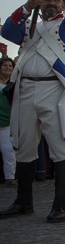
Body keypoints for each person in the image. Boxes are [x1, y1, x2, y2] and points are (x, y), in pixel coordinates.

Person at [0, 0, 65, 222]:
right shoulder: (29, 27)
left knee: (60, 149)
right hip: (26, 90)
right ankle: (23, 202)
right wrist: (26, 7)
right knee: (24, 148)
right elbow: (6, 31)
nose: (51, 2)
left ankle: (61, 205)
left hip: (54, 91)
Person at [0, 57, 17, 186]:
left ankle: (10, 178)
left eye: (10, 66)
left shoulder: (14, 86)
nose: (7, 67)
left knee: (8, 150)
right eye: (5, 65)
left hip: (7, 123)